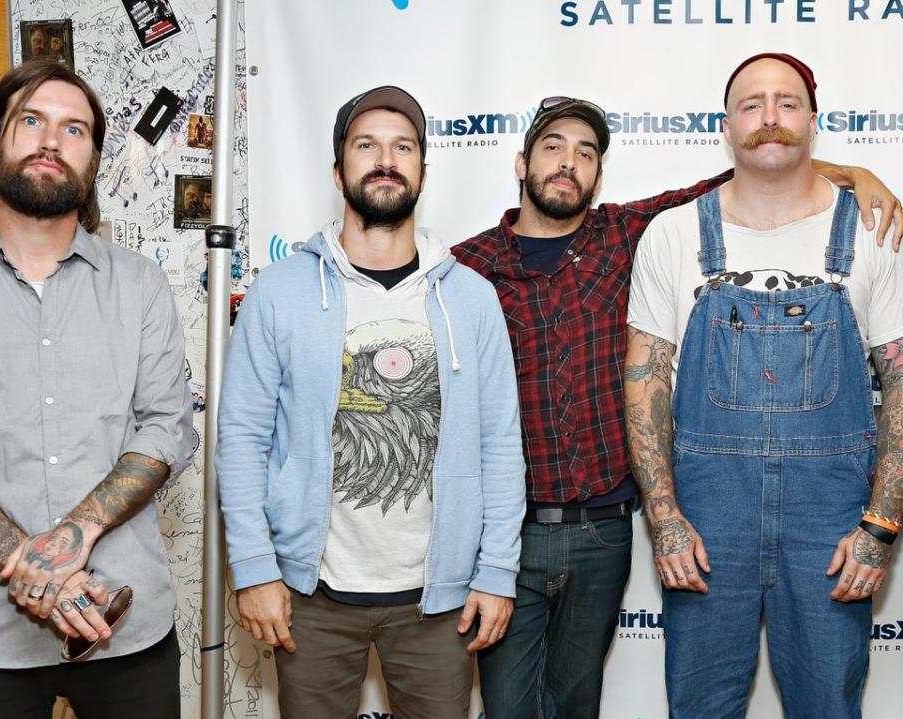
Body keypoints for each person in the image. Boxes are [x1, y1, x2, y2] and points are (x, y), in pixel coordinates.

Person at [452, 94, 902, 717]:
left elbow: (753, 168)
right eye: (553, 148)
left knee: (578, 703)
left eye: (585, 153)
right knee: (509, 707)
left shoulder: (625, 234)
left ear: (598, 174)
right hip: (505, 532)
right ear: (521, 161)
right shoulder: (466, 269)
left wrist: (853, 175)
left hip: (602, 530)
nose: (567, 164)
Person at [216, 85, 525, 718]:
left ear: (421, 171)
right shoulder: (279, 293)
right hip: (311, 595)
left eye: (402, 146)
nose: (385, 159)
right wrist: (253, 567)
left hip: (438, 601)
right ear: (338, 171)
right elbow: (242, 438)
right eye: (367, 145)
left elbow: (500, 443)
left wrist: (496, 571)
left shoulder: (470, 299)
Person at [624, 53, 903, 719]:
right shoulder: (675, 233)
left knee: (829, 706)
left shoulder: (872, 231)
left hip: (832, 522)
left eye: (785, 102)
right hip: (707, 521)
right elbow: (644, 382)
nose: (769, 118)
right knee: (700, 706)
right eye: (751, 104)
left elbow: (899, 382)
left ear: (814, 120)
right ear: (726, 124)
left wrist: (883, 523)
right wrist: (664, 520)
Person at [0, 60, 193, 719]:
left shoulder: (139, 284)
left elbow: (168, 423)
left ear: (92, 159)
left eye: (74, 129)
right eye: (32, 121)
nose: (52, 140)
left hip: (128, 630)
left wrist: (75, 534)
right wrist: (27, 559)